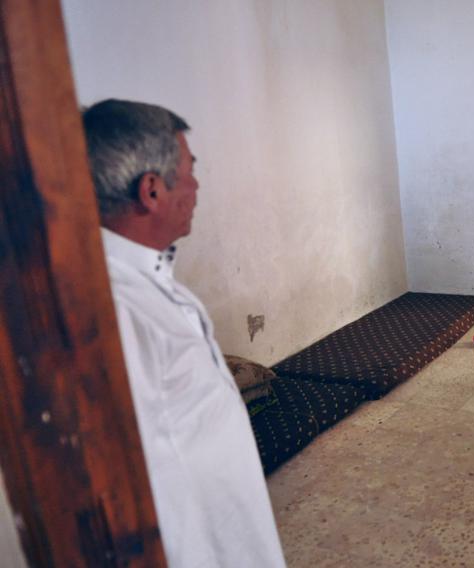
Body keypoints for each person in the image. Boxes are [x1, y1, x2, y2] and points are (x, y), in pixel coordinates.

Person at [82, 99, 285, 567]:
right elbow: (127, 480)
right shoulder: (114, 309)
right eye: (191, 169)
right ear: (151, 190)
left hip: (229, 532)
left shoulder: (150, 281)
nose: (196, 185)